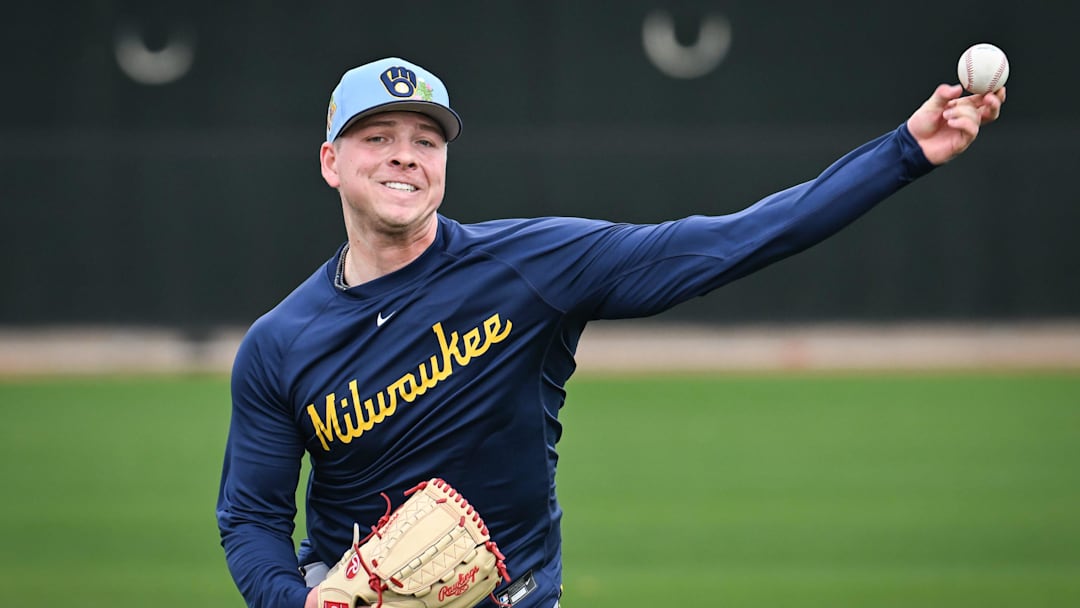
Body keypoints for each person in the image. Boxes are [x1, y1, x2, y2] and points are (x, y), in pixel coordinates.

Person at [216, 56, 1005, 608]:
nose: (405, 158)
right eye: (377, 138)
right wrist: (302, 601)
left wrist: (906, 152)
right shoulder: (282, 343)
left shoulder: (529, 267)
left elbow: (733, 240)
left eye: (426, 140)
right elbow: (251, 518)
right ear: (330, 161)